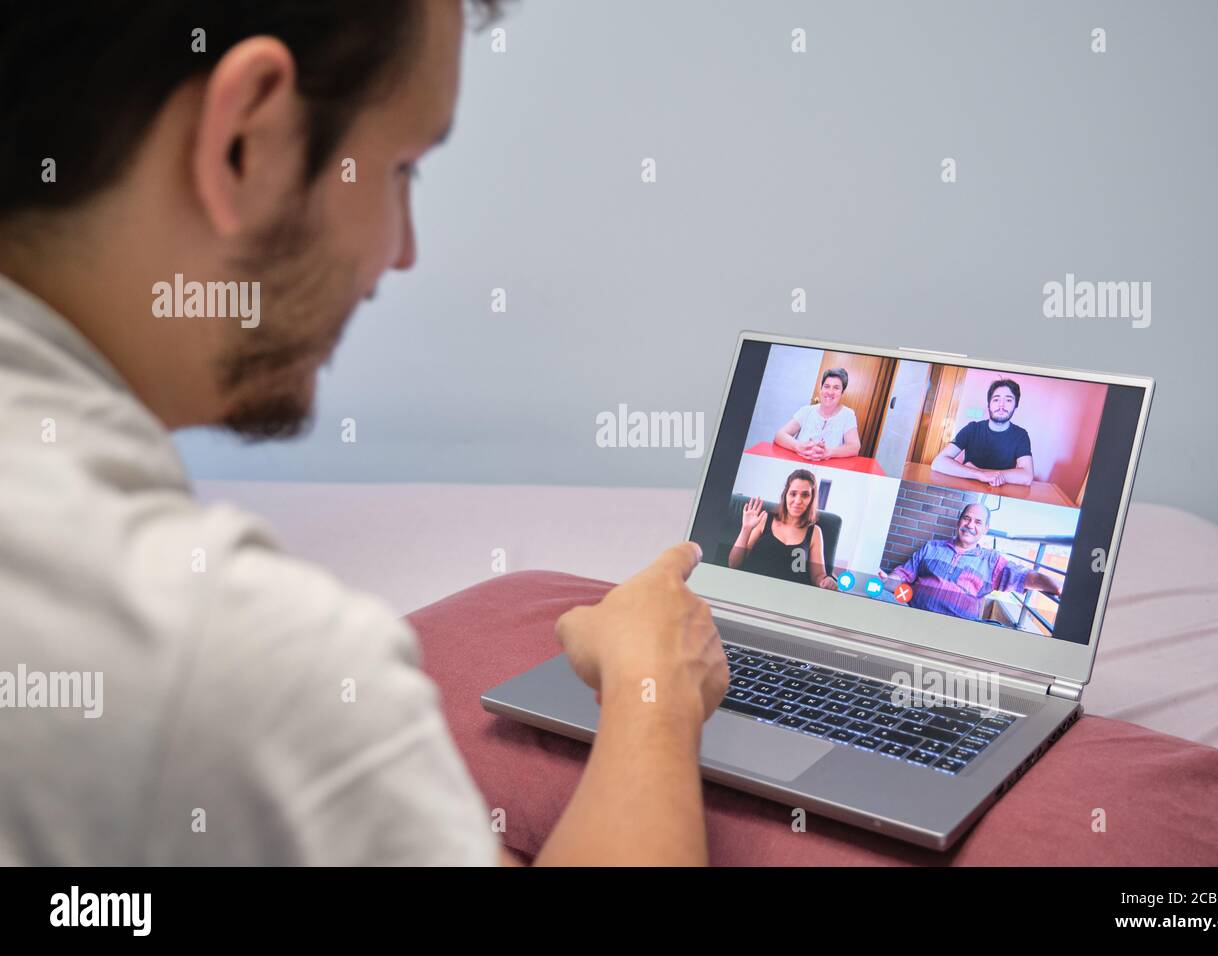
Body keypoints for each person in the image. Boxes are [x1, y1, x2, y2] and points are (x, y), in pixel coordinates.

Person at [0, 0, 728, 866]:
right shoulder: (230, 661)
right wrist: (655, 694)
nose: (402, 250)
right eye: (399, 170)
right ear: (246, 140)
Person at [874, 504, 1061, 622]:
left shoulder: (991, 560)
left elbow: (1027, 577)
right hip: (914, 614)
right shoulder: (932, 547)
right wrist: (887, 580)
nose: (970, 525)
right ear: (959, 522)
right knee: (873, 594)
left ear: (985, 529)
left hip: (958, 628)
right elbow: (903, 575)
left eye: (978, 522)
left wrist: (1059, 587)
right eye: (967, 518)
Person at [729, 470, 839, 589]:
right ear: (785, 495)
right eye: (793, 494)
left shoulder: (815, 532)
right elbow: (733, 564)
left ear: (812, 499)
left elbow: (818, 576)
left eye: (805, 495)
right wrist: (746, 529)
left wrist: (826, 581)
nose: (798, 501)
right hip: (751, 588)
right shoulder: (765, 519)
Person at [929, 379, 1034, 487]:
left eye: (1008, 400)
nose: (1001, 405)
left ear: (1015, 406)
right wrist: (979, 474)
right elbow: (938, 463)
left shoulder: (1021, 435)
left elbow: (1027, 476)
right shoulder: (972, 429)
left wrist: (980, 471)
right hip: (968, 490)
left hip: (999, 493)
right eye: (996, 399)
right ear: (989, 405)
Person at [774, 367, 862, 461]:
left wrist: (830, 452)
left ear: (842, 392)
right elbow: (779, 435)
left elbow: (854, 447)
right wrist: (798, 446)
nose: (830, 392)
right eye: (826, 386)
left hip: (829, 469)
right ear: (821, 389)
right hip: (799, 465)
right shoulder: (806, 411)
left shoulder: (848, 415)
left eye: (836, 388)